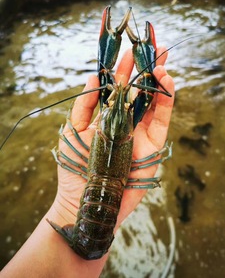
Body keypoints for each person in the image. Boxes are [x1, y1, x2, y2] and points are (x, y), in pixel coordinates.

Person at [1, 48, 174, 278]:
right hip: (98, 221)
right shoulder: (131, 131)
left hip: (93, 223)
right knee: (149, 88)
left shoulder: (104, 121)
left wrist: (66, 207)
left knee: (106, 80)